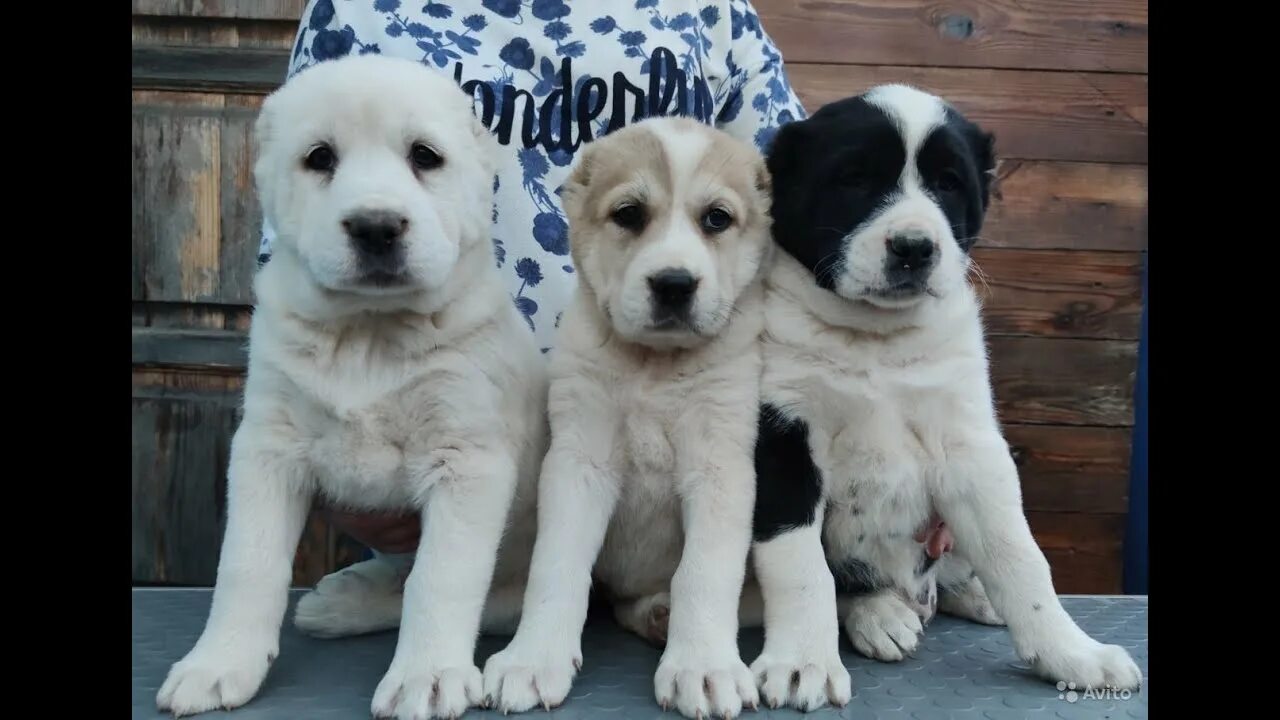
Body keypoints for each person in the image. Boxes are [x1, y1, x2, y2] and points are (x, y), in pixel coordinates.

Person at [261, 0, 810, 569]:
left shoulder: (706, 8)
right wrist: (324, 438)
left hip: (672, 465)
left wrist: (893, 413)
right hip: (437, 456)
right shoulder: (358, 9)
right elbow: (296, 224)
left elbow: (796, 204)